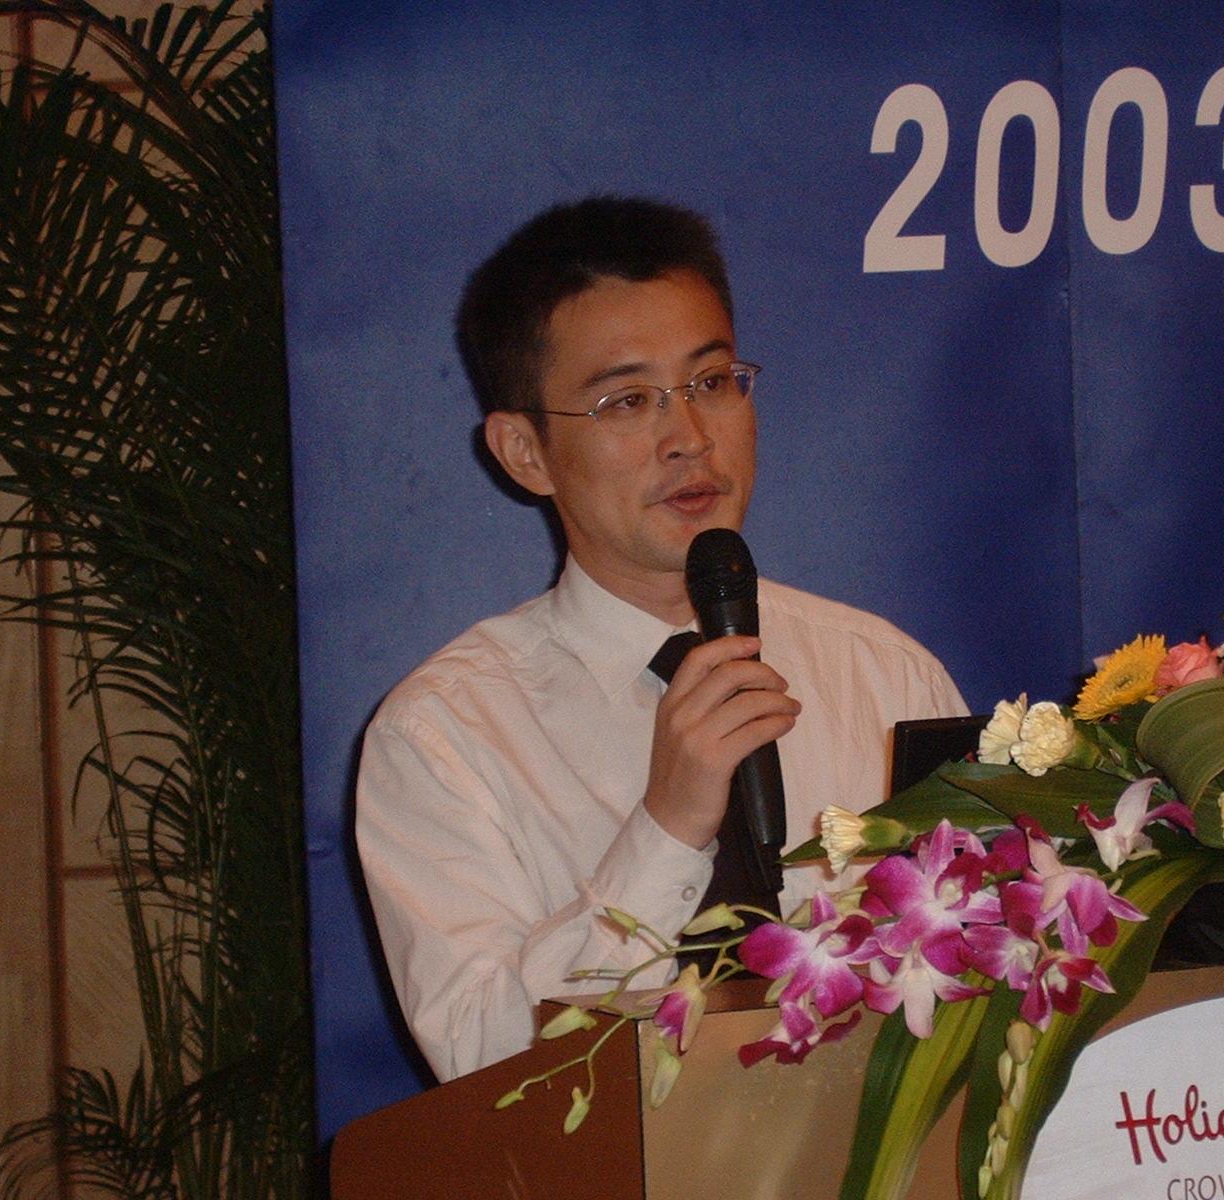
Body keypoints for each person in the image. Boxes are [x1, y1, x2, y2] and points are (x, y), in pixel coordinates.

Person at [355, 196, 968, 1082]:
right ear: (525, 451)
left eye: (712, 383)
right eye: (628, 401)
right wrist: (668, 829)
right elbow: (487, 1070)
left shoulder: (885, 675)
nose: (689, 438)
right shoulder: (443, 737)